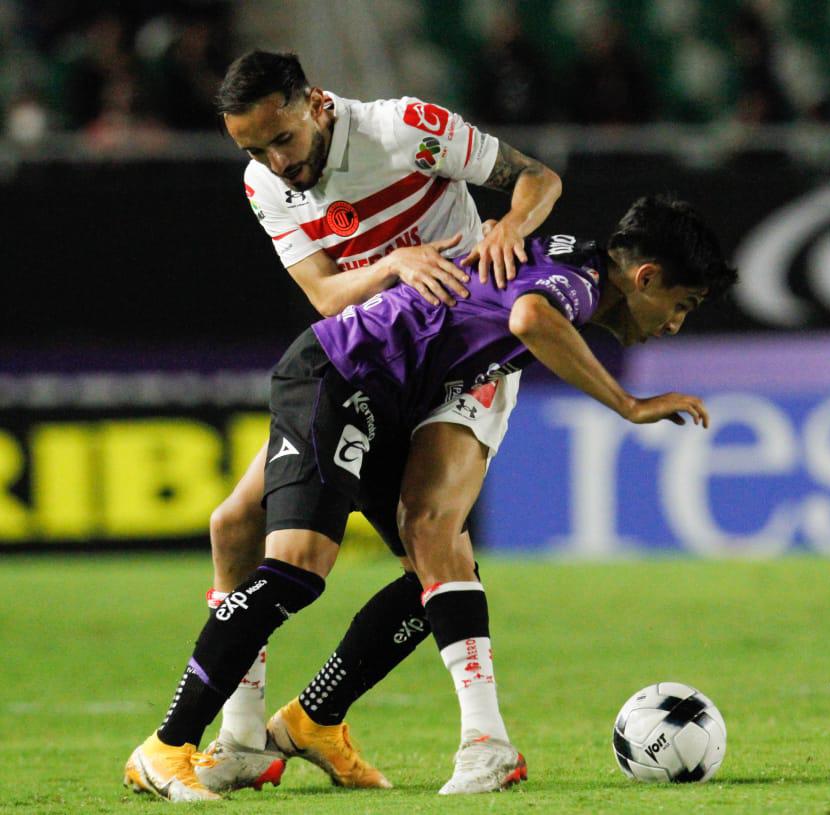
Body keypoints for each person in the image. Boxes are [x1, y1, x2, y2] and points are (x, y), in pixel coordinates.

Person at [123, 194, 737, 800]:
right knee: (297, 568)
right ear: (645, 277)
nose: (674, 324)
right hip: (342, 374)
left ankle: (358, 727)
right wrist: (630, 405)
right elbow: (529, 318)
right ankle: (168, 747)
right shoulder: (575, 286)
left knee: (440, 574)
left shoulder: (569, 256)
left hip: (385, 396)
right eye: (679, 305)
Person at [125, 49, 562, 797]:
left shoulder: (408, 131)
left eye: (280, 139)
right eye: (252, 148)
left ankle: (485, 739)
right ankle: (246, 737)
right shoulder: (263, 182)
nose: (273, 161)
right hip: (371, 363)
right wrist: (395, 265)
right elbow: (327, 295)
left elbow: (536, 177)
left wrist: (508, 228)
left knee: (429, 531)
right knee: (233, 524)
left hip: (460, 360)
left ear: (316, 104)